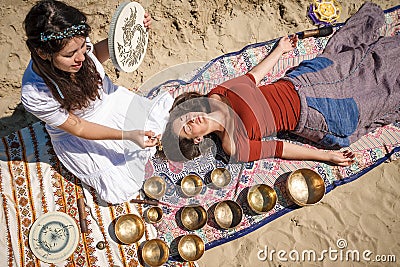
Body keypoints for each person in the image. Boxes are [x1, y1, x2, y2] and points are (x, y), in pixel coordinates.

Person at [160, 2, 400, 166]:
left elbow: (253, 77)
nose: (191, 120)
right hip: (314, 114)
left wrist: (279, 51)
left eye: (185, 116)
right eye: (188, 128)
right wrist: (326, 156)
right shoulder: (232, 144)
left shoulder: (217, 94)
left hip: (303, 80)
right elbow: (279, 148)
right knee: (379, 90)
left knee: (368, 59)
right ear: (197, 140)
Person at [21, 0, 173, 204]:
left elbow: (98, 54)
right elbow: (80, 128)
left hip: (111, 100)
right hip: (85, 133)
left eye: (83, 47)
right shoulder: (34, 94)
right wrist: (126, 135)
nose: (80, 58)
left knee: (164, 124)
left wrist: (131, 33)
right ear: (42, 53)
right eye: (69, 55)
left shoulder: (76, 44)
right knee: (121, 187)